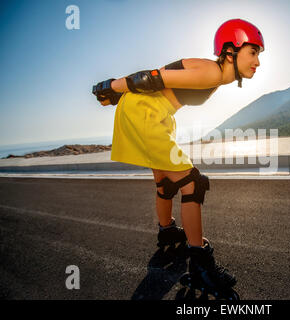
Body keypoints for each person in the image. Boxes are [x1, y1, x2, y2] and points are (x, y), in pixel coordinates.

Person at [92, 19, 264, 295]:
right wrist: (113, 86)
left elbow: (154, 78)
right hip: (145, 113)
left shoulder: (212, 72)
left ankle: (168, 232)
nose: (257, 61)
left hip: (153, 114)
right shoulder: (211, 72)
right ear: (231, 50)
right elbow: (150, 78)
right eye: (253, 52)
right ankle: (202, 267)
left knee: (166, 182)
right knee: (193, 183)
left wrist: (115, 93)